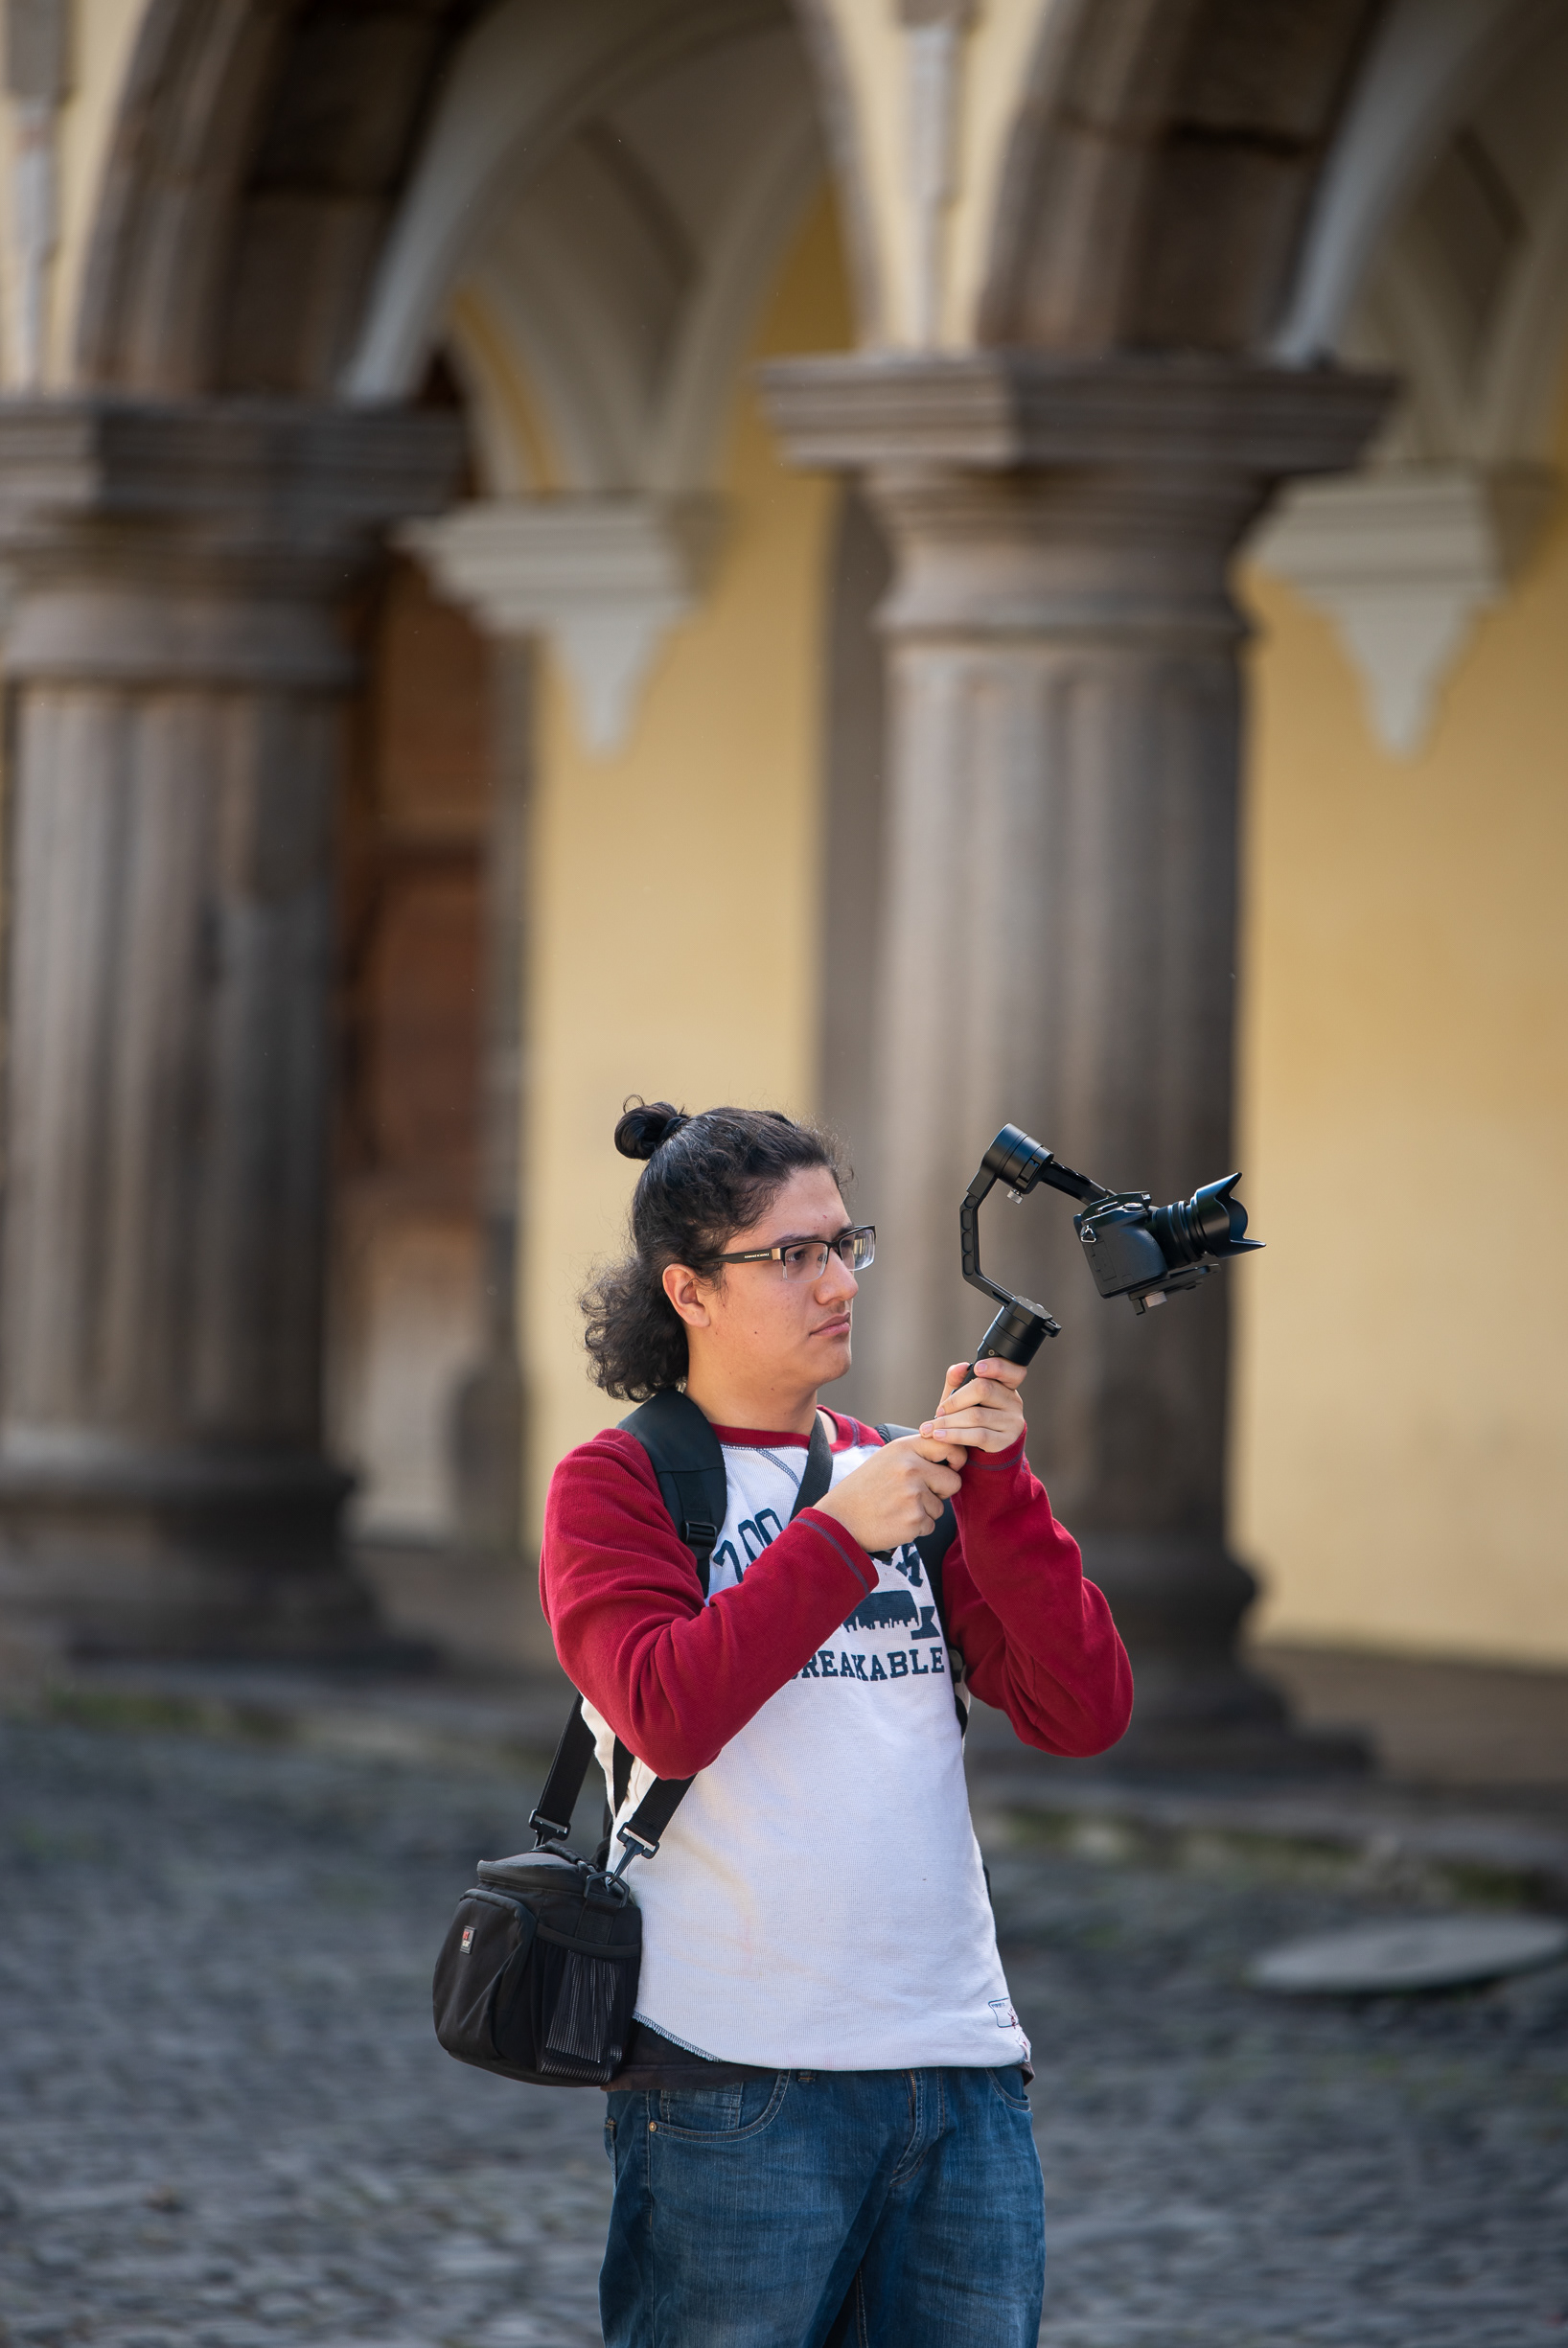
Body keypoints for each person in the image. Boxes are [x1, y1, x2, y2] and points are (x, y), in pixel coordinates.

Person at [541, 1100, 1133, 2348]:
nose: (835, 1280)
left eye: (843, 1242)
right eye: (791, 1255)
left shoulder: (897, 1469)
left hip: (960, 2070)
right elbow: (667, 1710)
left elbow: (1083, 1711)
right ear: (691, 1290)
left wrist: (1000, 1482)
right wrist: (837, 1534)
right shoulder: (616, 1484)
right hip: (731, 2084)